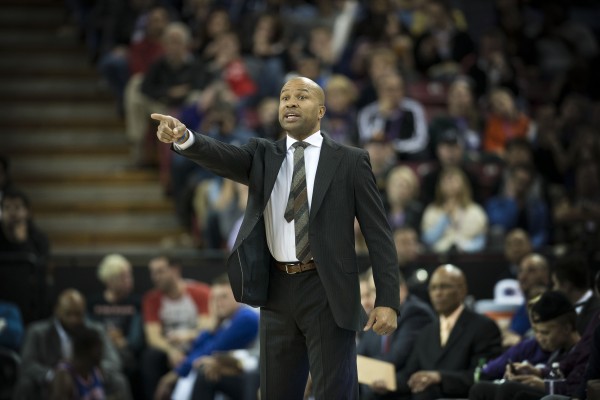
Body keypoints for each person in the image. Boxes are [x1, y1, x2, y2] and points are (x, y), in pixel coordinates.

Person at [152, 76, 400, 400]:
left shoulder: (350, 160)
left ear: (322, 110)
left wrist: (387, 300)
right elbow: (222, 155)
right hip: (276, 290)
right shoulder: (261, 154)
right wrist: (185, 137)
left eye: (302, 96)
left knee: (334, 393)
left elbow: (379, 235)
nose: (291, 102)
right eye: (285, 97)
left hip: (328, 289)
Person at [393, 264, 502, 400]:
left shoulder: (484, 327)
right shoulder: (426, 332)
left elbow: (483, 375)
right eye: (433, 288)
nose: (437, 293)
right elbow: (410, 372)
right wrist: (387, 382)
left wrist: (440, 377)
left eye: (444, 287)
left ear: (462, 290)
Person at [156, 273, 260, 400]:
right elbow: (198, 347)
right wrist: (213, 323)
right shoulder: (226, 320)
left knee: (204, 371)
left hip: (252, 376)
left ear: (237, 296)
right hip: (238, 372)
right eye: (214, 298)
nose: (218, 303)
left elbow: (215, 348)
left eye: (224, 297)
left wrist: (174, 375)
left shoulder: (246, 317)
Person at [14, 289, 130, 400]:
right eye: (68, 314)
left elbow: (113, 361)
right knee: (25, 384)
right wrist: (52, 375)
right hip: (50, 377)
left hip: (89, 376)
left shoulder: (95, 331)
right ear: (57, 310)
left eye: (78, 314)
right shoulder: (37, 332)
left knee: (119, 381)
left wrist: (93, 374)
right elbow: (28, 364)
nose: (73, 319)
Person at [468, 291, 586, 400]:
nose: (539, 338)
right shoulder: (559, 351)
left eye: (545, 332)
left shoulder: (583, 351)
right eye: (536, 331)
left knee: (509, 389)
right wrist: (531, 372)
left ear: (566, 327)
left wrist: (541, 384)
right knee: (480, 389)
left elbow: (575, 388)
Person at [140, 254, 211, 399]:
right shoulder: (151, 299)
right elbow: (152, 337)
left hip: (194, 344)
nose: (155, 277)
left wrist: (185, 337)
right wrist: (171, 350)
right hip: (168, 348)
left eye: (160, 271)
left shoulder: (200, 292)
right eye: (152, 272)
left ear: (175, 270)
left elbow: (206, 329)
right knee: (150, 357)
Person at [357, 272, 435, 400]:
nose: (376, 296)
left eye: (381, 288)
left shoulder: (415, 312)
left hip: (405, 390)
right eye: (373, 291)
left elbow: (397, 357)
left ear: (401, 288)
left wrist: (361, 368)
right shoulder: (377, 316)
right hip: (376, 388)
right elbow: (359, 354)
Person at [86, 253, 144, 400]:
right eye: (124, 277)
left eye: (130, 275)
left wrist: (122, 342)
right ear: (110, 279)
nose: (129, 281)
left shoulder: (135, 303)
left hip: (125, 352)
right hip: (99, 351)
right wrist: (107, 339)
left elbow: (136, 339)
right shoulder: (94, 303)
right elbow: (88, 333)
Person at [48, 326, 111, 400]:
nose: (101, 353)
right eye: (99, 349)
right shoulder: (64, 377)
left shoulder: (96, 369)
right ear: (84, 351)